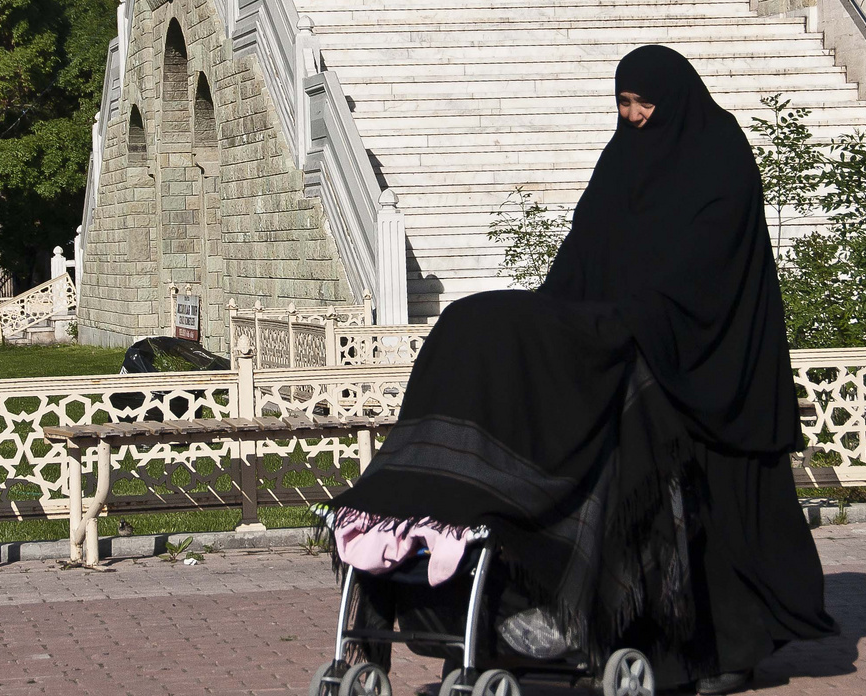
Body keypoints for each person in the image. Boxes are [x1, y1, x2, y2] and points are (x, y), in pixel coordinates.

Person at [332, 46, 836, 695]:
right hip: (634, 340)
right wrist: (558, 324)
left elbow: (708, 268)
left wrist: (635, 319)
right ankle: (530, 621)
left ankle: (726, 651)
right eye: (623, 104)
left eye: (644, 103)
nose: (632, 116)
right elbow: (582, 254)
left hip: (711, 359)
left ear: (676, 100)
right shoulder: (626, 161)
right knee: (484, 324)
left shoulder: (719, 157)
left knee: (720, 513)